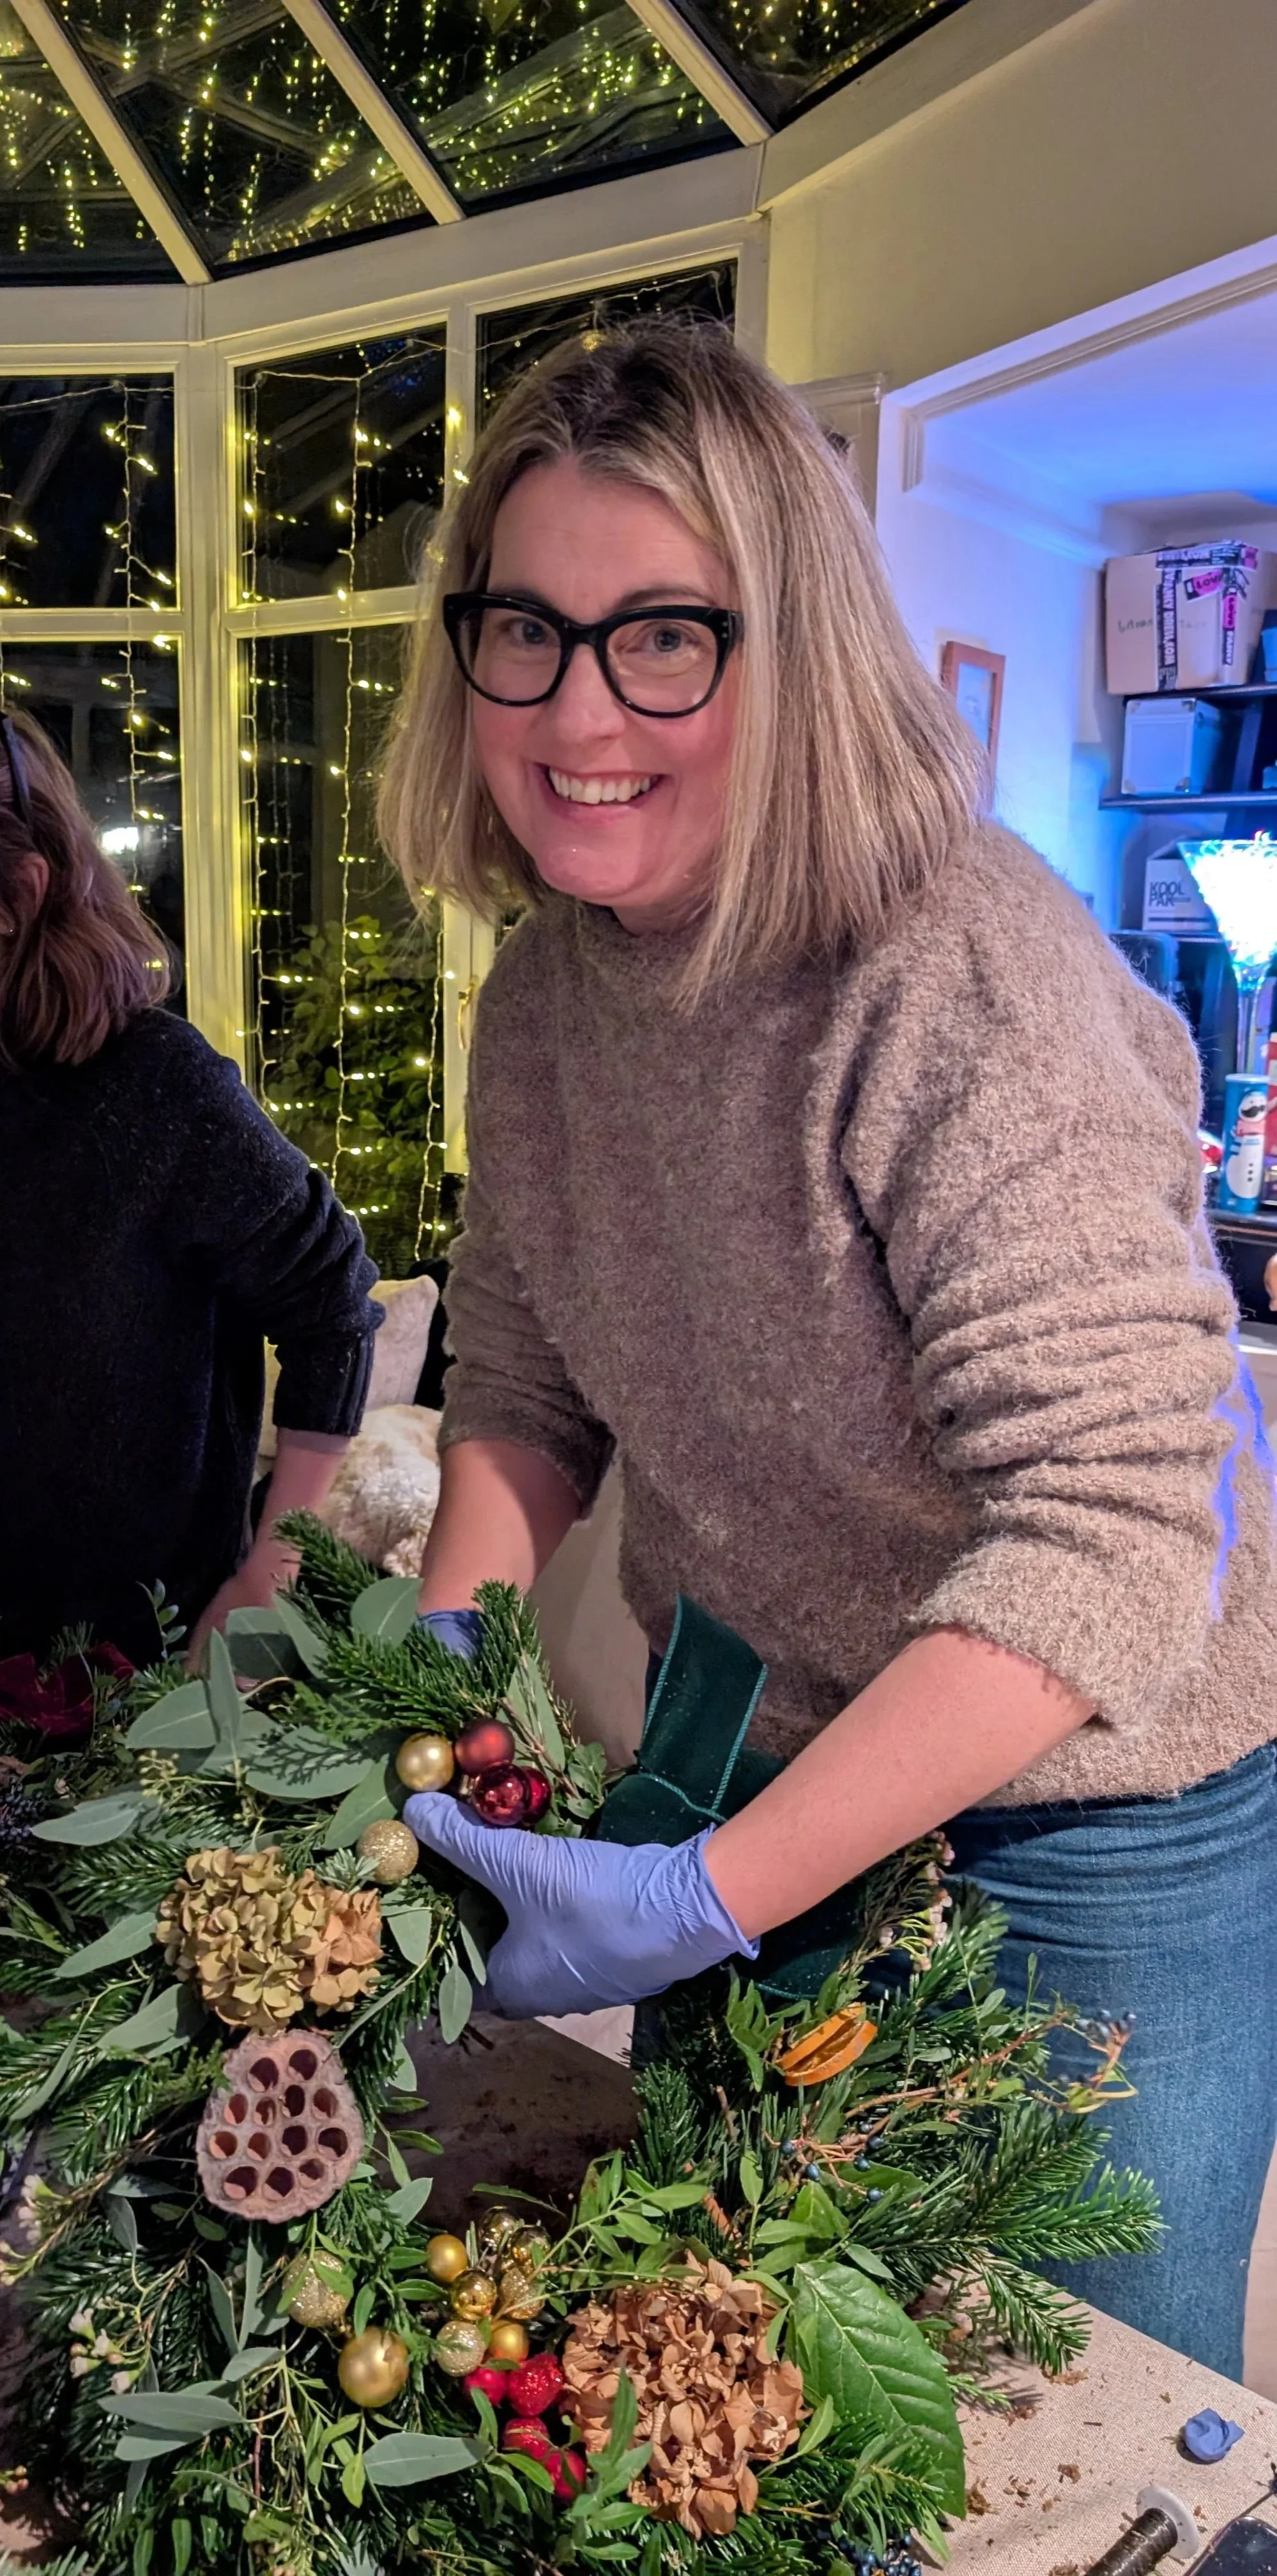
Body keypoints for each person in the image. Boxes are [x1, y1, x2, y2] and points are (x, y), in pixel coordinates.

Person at [378, 319, 1277, 2377]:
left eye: (662, 637)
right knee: (713, 2374)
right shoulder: (540, 997)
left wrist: (696, 1899)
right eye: (524, 629)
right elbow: (519, 1387)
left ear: (790, 655)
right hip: (765, 1744)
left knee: (1036, 2408)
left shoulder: (952, 975)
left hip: (1090, 1811)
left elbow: (1108, 1537)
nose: (577, 708)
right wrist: (429, 1677)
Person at [0, 710, 380, 1672]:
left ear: (19, 893)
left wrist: (272, 1568)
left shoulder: (155, 1085)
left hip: (133, 1682)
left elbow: (332, 1300)